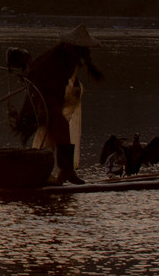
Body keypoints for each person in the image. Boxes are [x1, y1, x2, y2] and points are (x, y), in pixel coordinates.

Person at [15, 26, 103, 184]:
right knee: (61, 128)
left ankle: (62, 171)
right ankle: (64, 171)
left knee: (60, 133)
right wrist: (46, 104)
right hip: (43, 100)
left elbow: (62, 83)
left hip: (51, 99)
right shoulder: (55, 58)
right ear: (70, 45)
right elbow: (37, 77)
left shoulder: (69, 57)